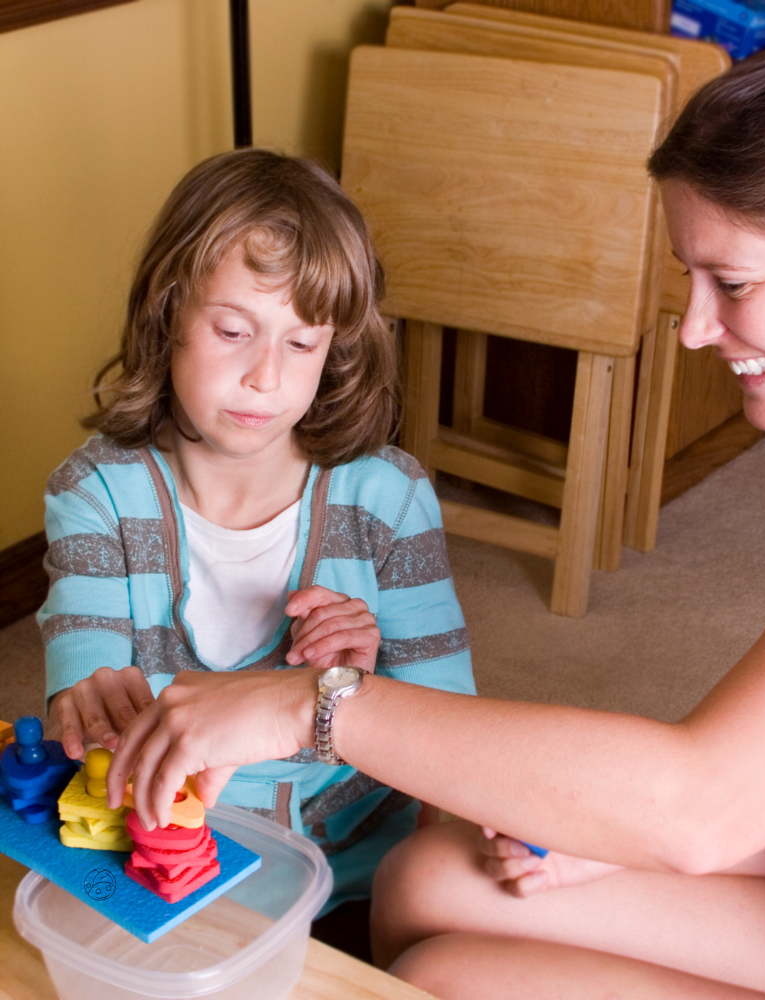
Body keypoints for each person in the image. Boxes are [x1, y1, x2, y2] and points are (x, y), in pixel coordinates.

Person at [104, 34, 765, 999]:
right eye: (689, 279)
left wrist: (306, 707)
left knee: (458, 975)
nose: (696, 327)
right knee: (429, 876)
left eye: (733, 285)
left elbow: (701, 803)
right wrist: (603, 843)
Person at [38, 149, 476, 927]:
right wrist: (85, 701)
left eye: (301, 344)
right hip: (164, 872)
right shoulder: (95, 493)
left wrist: (363, 688)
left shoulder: (389, 498)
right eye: (235, 330)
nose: (266, 377)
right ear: (169, 310)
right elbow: (90, 693)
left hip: (357, 877)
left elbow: (456, 738)